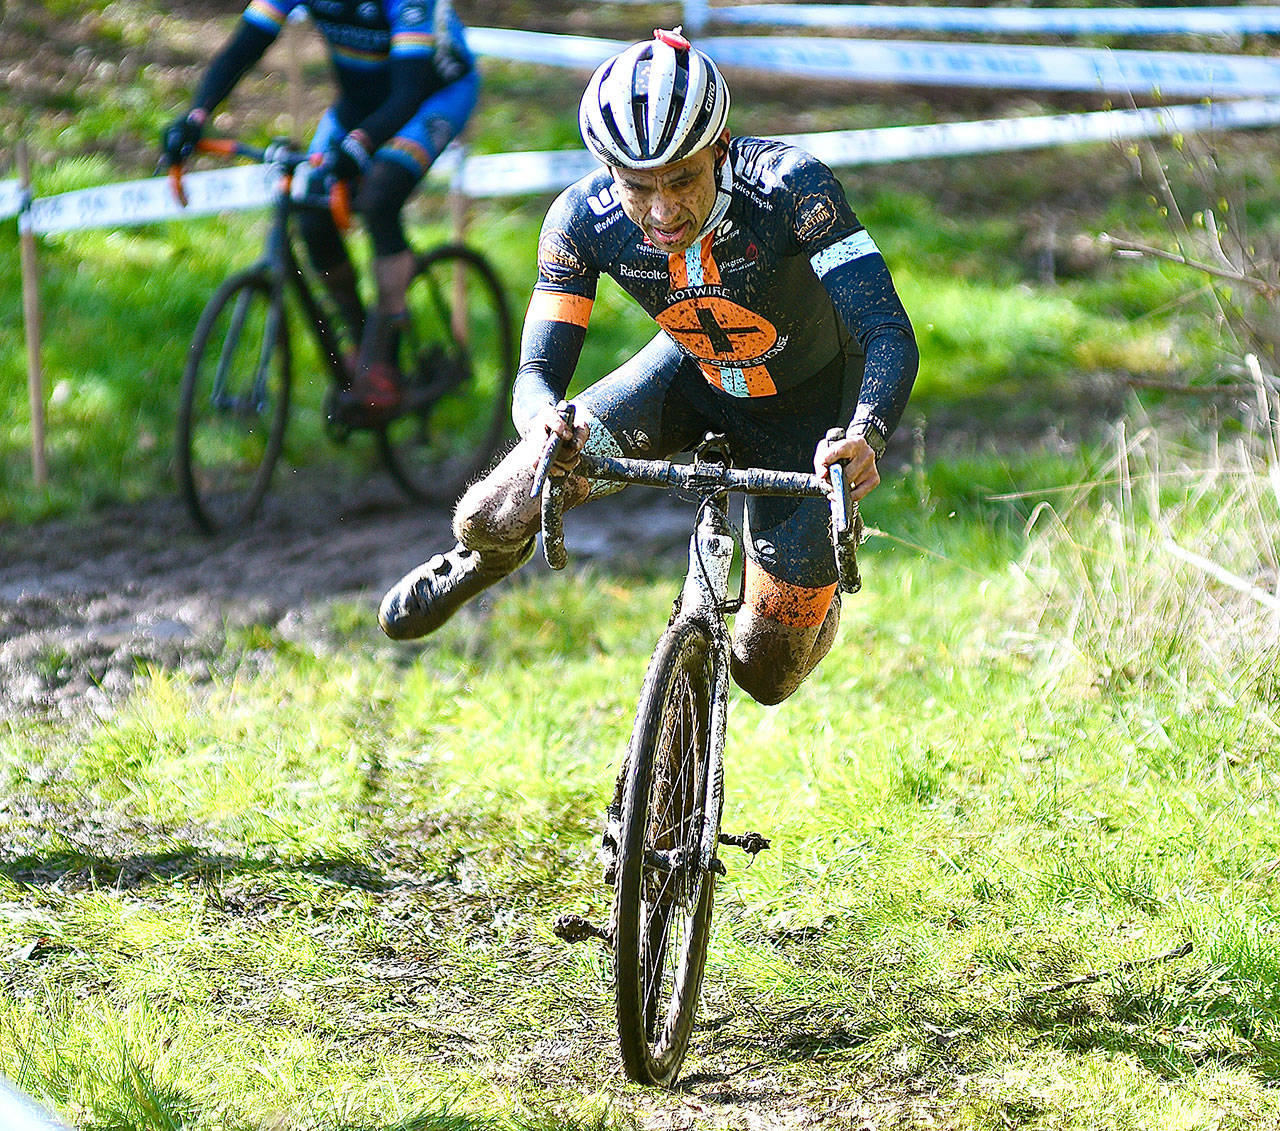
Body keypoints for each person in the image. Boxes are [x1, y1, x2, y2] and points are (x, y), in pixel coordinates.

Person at [380, 28, 918, 705]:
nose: (663, 211)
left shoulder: (790, 190)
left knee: (765, 672)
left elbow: (887, 331)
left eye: (683, 179)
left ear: (719, 150)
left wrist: (866, 433)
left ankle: (821, 591)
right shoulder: (581, 220)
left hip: (810, 413)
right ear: (607, 171)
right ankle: (477, 562)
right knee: (489, 512)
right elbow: (536, 375)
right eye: (638, 187)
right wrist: (544, 420)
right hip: (690, 377)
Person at [161, 0, 477, 416]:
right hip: (360, 102)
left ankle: (385, 352)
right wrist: (196, 115)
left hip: (431, 97)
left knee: (379, 198)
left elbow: (409, 90)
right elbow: (245, 46)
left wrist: (362, 144)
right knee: (310, 213)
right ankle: (360, 335)